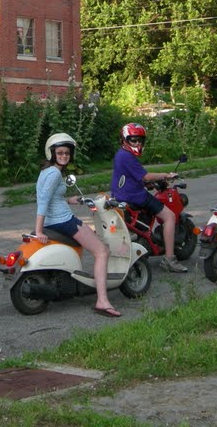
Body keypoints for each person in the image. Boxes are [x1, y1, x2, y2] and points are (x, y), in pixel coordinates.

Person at [34, 132, 122, 318]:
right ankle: (102, 301)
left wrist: (69, 199)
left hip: (55, 218)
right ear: (52, 153)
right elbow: (42, 200)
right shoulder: (55, 173)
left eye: (67, 153)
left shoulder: (46, 171)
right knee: (102, 251)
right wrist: (38, 230)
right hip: (63, 221)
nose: (64, 156)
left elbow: (51, 198)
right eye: (60, 153)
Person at [111, 123, 188, 273]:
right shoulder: (127, 156)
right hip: (135, 196)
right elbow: (146, 175)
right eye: (133, 140)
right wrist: (166, 175)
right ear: (124, 140)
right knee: (170, 216)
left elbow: (131, 176)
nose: (137, 143)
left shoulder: (121, 154)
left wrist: (147, 184)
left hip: (122, 195)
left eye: (140, 140)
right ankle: (170, 259)